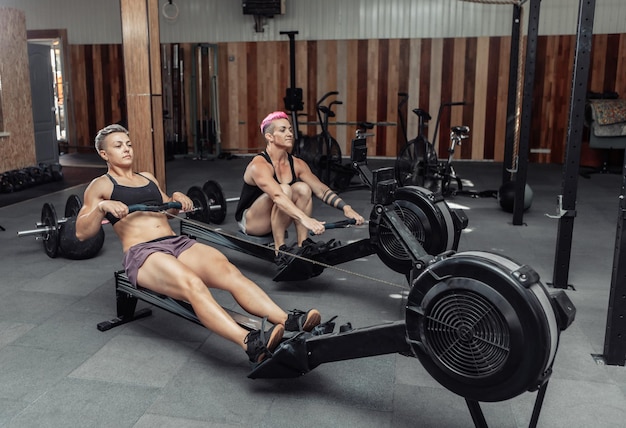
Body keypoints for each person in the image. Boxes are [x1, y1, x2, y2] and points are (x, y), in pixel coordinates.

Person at [75, 124, 321, 365]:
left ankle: (288, 320)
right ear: (104, 153)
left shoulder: (146, 178)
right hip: (143, 253)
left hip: (175, 242)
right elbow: (81, 233)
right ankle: (250, 342)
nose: (126, 149)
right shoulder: (102, 185)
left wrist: (177, 199)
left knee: (229, 272)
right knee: (194, 285)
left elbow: (167, 210)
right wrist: (101, 208)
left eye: (128, 144)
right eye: (118, 146)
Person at [235, 111, 365, 267]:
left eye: (290, 129)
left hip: (277, 216)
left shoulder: (296, 163)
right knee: (284, 190)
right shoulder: (259, 165)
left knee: (303, 188)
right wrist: (305, 219)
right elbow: (277, 196)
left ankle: (303, 244)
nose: (289, 133)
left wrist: (346, 208)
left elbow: (320, 189)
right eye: (283, 130)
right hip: (252, 222)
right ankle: (280, 250)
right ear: (269, 137)